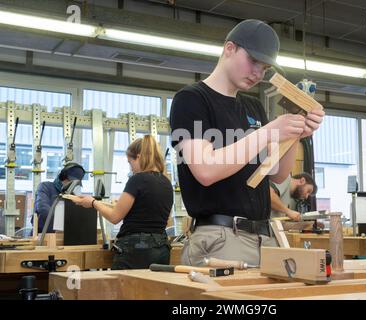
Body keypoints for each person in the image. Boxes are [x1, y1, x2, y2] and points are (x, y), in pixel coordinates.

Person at [170, 19, 324, 266]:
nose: (258, 73)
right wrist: (268, 132)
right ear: (229, 49)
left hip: (263, 237)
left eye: (264, 68)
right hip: (221, 239)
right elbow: (206, 170)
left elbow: (276, 173)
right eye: (253, 61)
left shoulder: (253, 107)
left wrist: (295, 133)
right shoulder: (191, 100)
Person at [70, 135, 173, 270]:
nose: (131, 168)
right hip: (161, 247)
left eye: (130, 162)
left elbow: (114, 217)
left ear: (139, 156)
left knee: (121, 290)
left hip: (136, 249)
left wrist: (93, 203)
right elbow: (156, 214)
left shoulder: (138, 180)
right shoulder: (166, 182)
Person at [34, 162, 85, 233]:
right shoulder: (45, 187)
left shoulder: (72, 196)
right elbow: (44, 211)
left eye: (75, 184)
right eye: (70, 181)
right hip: (43, 235)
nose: (72, 185)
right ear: (62, 177)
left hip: (63, 238)